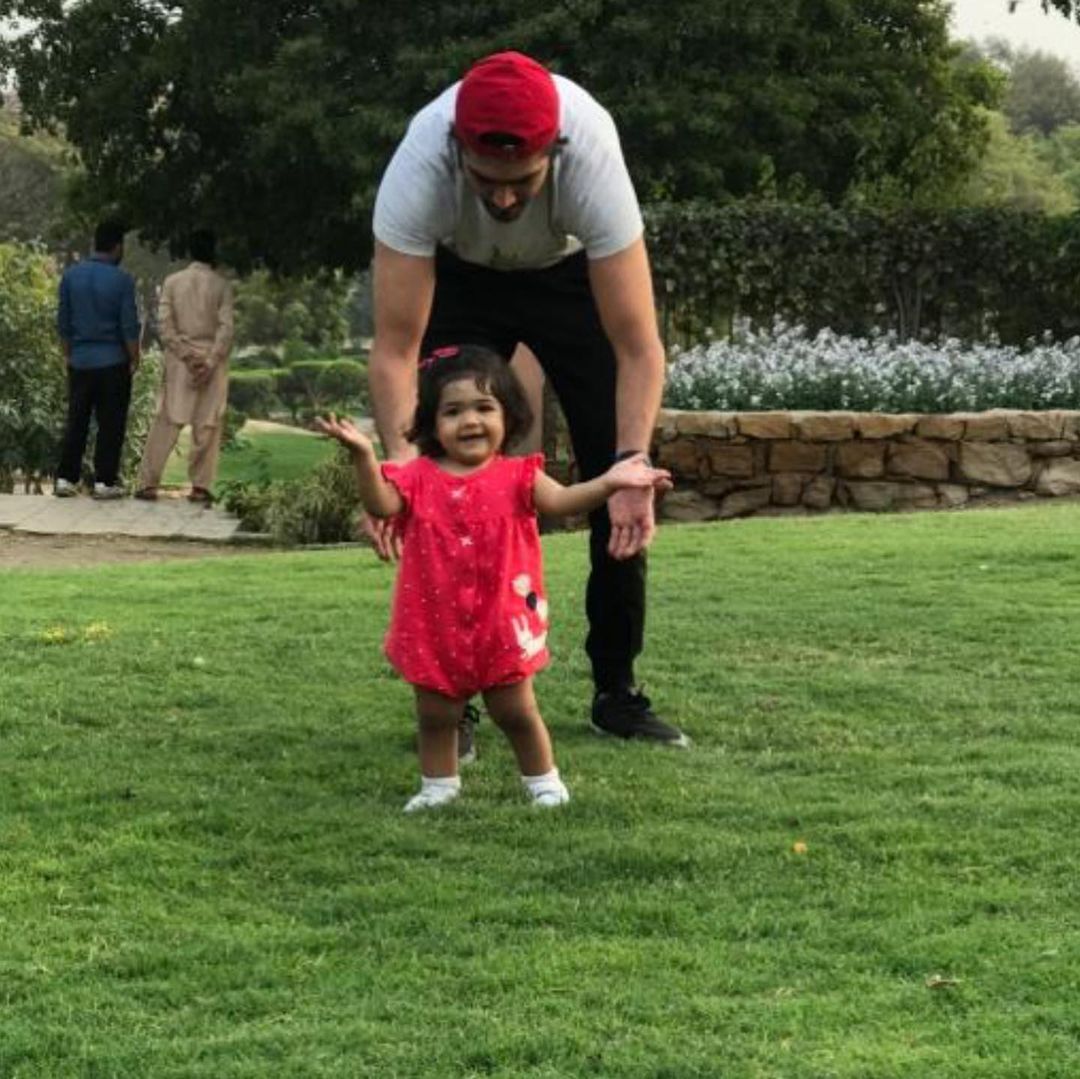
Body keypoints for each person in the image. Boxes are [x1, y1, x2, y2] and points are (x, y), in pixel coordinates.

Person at [369, 50, 690, 751]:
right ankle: (457, 702)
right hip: (462, 281)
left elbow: (640, 347)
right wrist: (399, 472)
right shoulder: (419, 168)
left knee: (621, 483)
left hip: (569, 279)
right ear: (458, 152)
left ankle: (616, 690)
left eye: (523, 181)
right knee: (444, 486)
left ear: (557, 151)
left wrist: (631, 465)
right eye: (488, 181)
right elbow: (395, 347)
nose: (506, 200)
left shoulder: (594, 155)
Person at [317, 345, 671, 812]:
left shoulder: (519, 476)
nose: (470, 421)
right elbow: (382, 505)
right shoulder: (417, 478)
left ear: (509, 416)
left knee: (515, 709)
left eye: (485, 408)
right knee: (436, 712)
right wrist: (363, 455)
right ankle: (439, 785)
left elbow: (566, 501)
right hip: (433, 620)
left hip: (500, 619)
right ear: (431, 422)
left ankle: (543, 780)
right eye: (453, 411)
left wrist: (612, 481)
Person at [135, 229, 234, 504]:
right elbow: (226, 329)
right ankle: (201, 487)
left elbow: (165, 326)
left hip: (180, 362)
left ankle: (148, 483)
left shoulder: (173, 282)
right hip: (211, 364)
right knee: (208, 425)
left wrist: (187, 356)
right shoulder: (221, 285)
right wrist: (210, 361)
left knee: (167, 420)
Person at [54, 220, 140, 499]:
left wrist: (68, 354)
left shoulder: (70, 277)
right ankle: (104, 481)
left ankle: (66, 478)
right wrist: (134, 357)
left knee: (76, 419)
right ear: (117, 247)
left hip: (80, 361)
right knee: (110, 422)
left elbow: (64, 323)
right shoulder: (122, 280)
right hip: (113, 361)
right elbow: (129, 325)